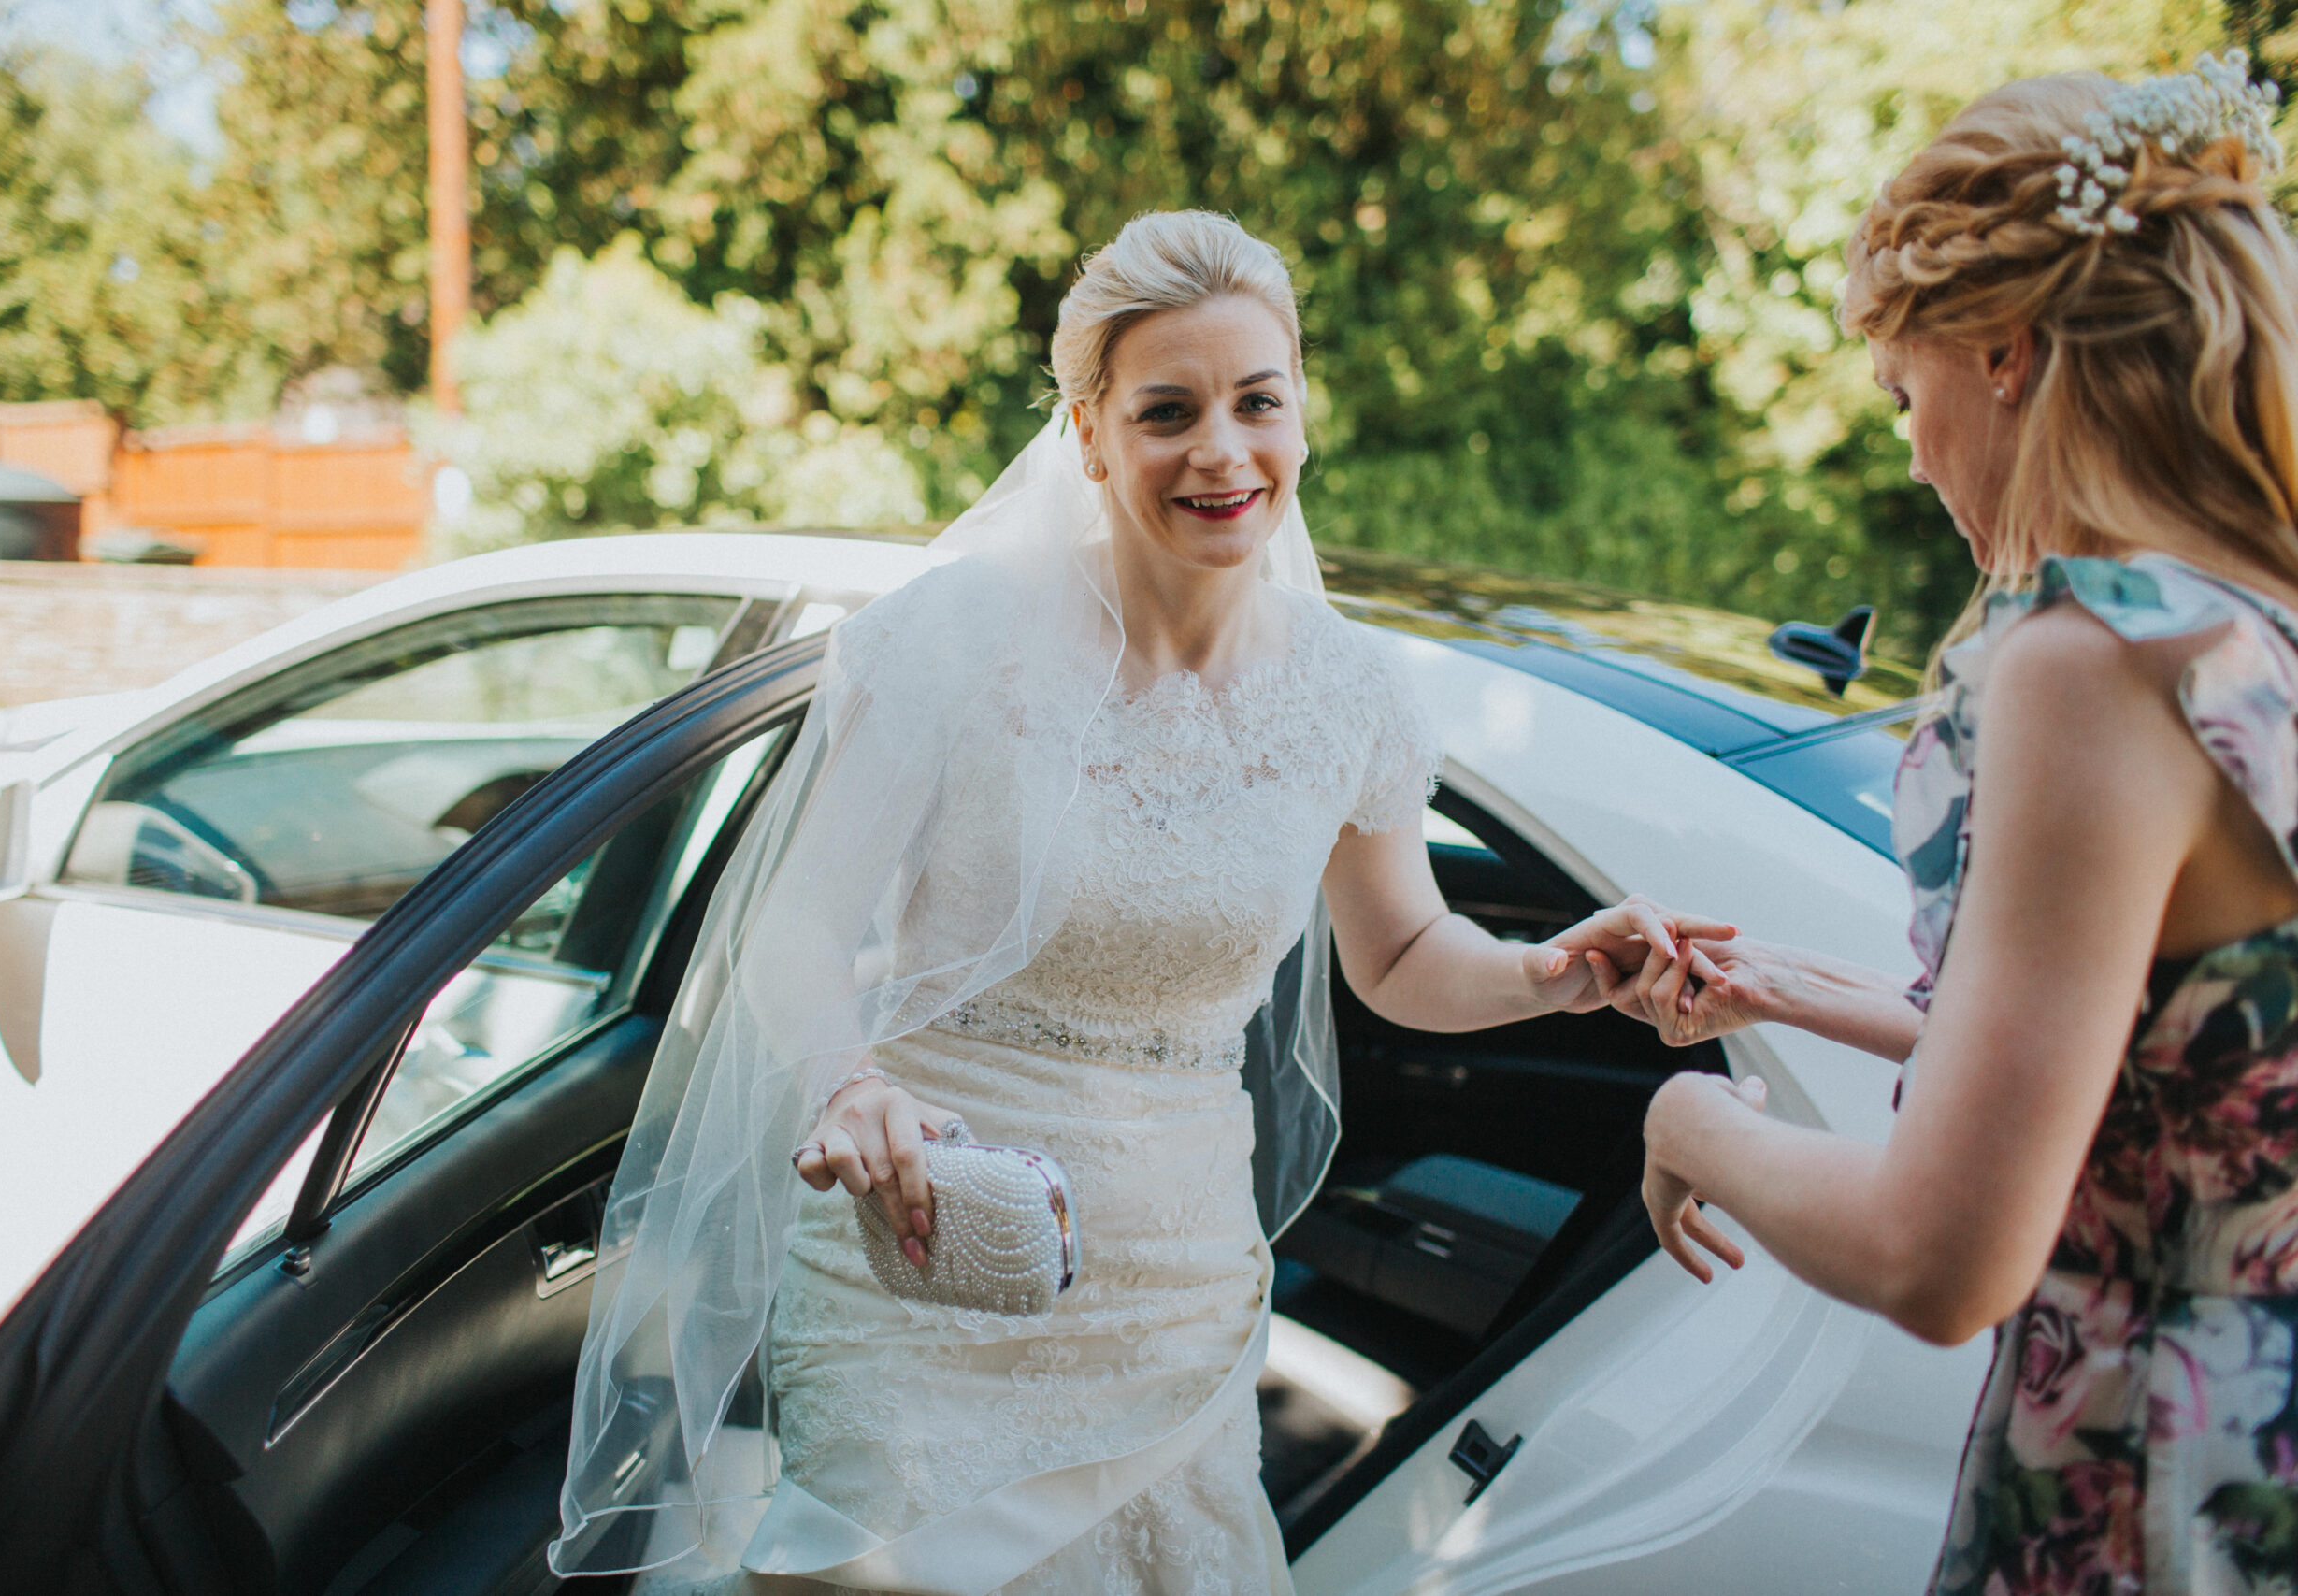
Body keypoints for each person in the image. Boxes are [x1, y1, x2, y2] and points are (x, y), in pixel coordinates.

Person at [550, 210, 1725, 1594]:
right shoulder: (950, 640)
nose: (1222, 452)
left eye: (1257, 402)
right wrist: (843, 1081)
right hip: (926, 1254)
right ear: (1091, 431)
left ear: (1302, 417)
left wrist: (1556, 975)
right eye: (1169, 411)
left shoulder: (1353, 695)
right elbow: (798, 930)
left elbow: (1403, 953)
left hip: (1174, 1281)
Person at [1606, 55, 2298, 1594]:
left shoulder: (2093, 660)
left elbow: (1943, 1256)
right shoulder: (2259, 643)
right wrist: (1777, 991)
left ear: (2003, 350)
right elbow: (2179, 1086)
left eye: (1904, 395)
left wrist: (1688, 1123)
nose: (1913, 453)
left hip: (2147, 1488)